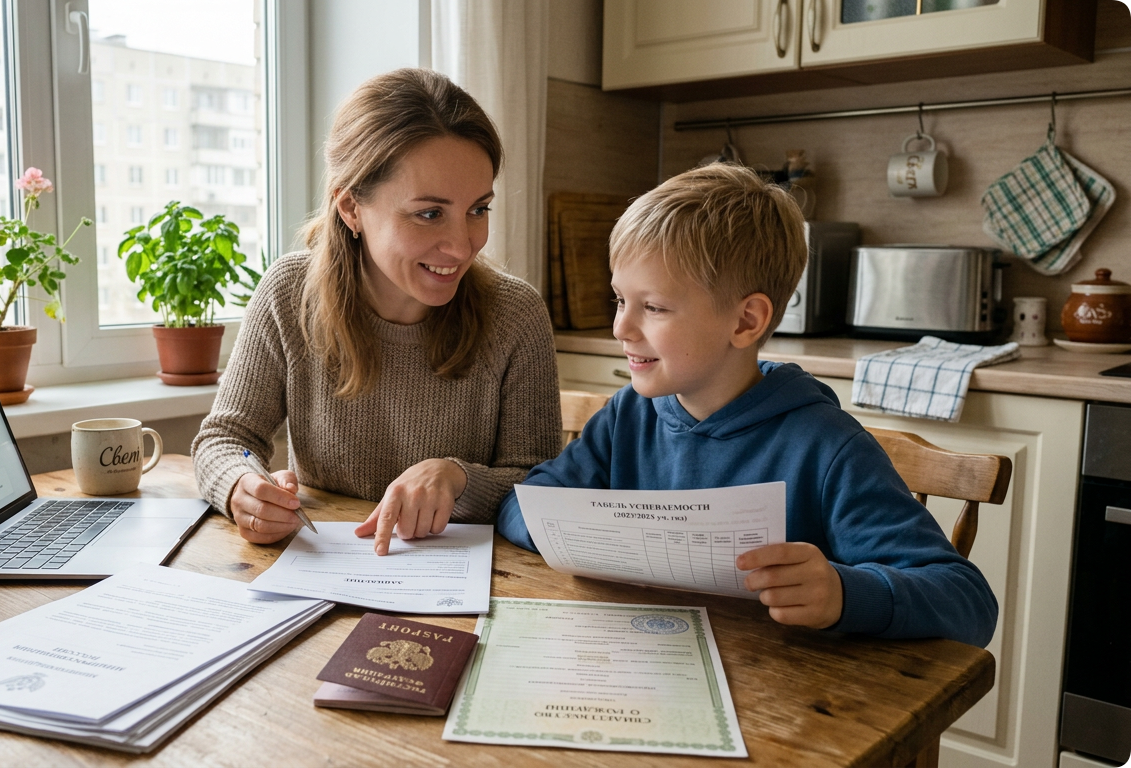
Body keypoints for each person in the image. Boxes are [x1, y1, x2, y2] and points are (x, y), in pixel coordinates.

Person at [494, 163, 999, 647]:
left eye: (653, 307)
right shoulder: (628, 415)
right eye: (620, 300)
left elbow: (968, 602)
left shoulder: (828, 449)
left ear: (745, 322)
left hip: (783, 702)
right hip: (637, 660)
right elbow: (524, 504)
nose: (621, 328)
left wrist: (844, 593)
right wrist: (583, 536)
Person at [193, 68, 562, 555]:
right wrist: (242, 485)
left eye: (479, 209)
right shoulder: (288, 293)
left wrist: (456, 478)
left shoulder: (516, 315)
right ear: (350, 208)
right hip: (322, 571)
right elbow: (225, 438)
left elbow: (542, 488)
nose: (461, 244)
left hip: (467, 587)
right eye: (429, 213)